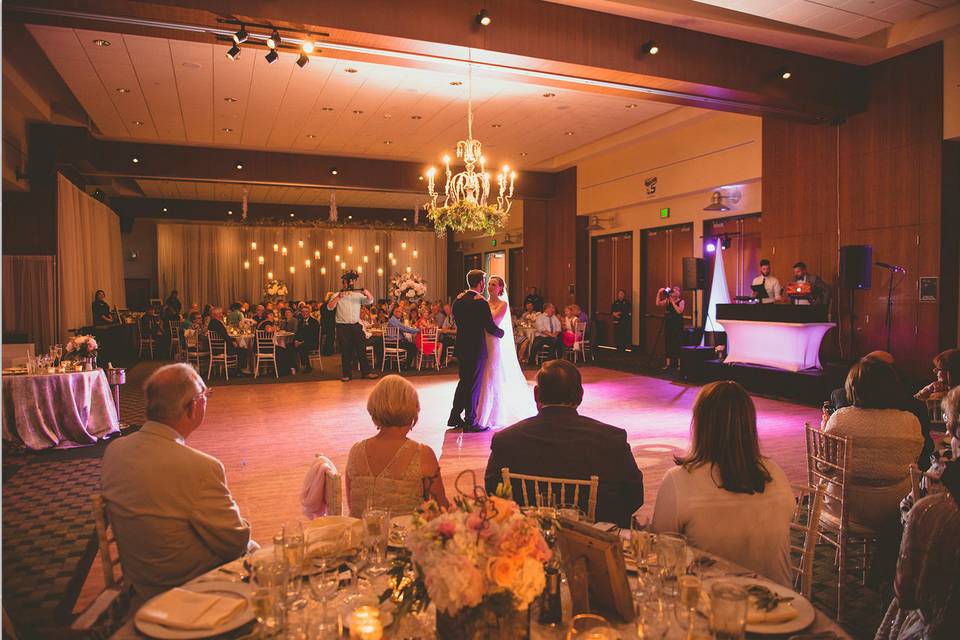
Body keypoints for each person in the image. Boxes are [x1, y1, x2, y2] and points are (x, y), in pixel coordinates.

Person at [101, 364, 254, 601]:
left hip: (140, 585)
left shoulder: (114, 451)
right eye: (205, 395)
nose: (206, 400)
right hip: (191, 592)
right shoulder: (200, 467)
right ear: (192, 407)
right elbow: (235, 543)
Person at [652, 381, 795, 586]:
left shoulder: (678, 480)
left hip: (711, 605)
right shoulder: (776, 474)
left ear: (700, 425)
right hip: (781, 603)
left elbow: (662, 555)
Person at [484, 360, 643, 526]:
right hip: (593, 542)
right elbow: (634, 496)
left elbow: (493, 492)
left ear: (536, 394)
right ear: (581, 394)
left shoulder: (506, 440)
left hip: (527, 539)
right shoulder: (612, 439)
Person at [822, 359, 923, 529]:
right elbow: (914, 462)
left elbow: (826, 467)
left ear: (853, 388)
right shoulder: (910, 421)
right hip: (896, 507)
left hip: (846, 505)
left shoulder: (840, 418)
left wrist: (825, 428)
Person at [874, 459, 960, 640]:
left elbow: (907, 595)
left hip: (937, 626)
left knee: (889, 533)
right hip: (894, 491)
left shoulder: (933, 515)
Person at [345, 375, 448, 517]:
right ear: (414, 410)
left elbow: (354, 508)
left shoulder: (356, 451)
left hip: (362, 535)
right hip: (406, 537)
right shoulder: (423, 454)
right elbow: (440, 508)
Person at [829, 351, 935, 470]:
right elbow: (922, 454)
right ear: (890, 376)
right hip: (900, 486)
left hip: (847, 486)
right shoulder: (912, 416)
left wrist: (826, 429)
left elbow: (826, 465)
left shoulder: (840, 414)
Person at [475, 276, 537, 430]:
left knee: (491, 376)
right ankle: (478, 411)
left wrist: (480, 309)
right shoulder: (483, 302)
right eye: (489, 284)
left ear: (500, 288)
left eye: (494, 284)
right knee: (481, 376)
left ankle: (490, 415)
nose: (490, 286)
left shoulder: (502, 305)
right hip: (482, 341)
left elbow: (493, 322)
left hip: (493, 342)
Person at [448, 269, 506, 433]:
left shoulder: (458, 301)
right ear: (480, 283)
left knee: (463, 382)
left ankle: (454, 416)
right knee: (473, 385)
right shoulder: (480, 302)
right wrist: (502, 334)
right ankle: (471, 421)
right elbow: (489, 326)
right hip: (476, 348)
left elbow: (457, 321)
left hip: (462, 347)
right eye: (484, 282)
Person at [328, 272, 378, 382]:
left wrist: (366, 292)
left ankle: (366, 372)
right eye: (347, 282)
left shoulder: (358, 295)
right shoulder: (336, 294)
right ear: (343, 283)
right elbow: (329, 307)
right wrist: (338, 297)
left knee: (361, 348)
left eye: (351, 282)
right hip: (342, 326)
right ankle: (347, 375)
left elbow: (370, 300)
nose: (350, 284)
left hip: (356, 325)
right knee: (345, 350)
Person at [656, 285, 684, 370]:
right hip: (669, 323)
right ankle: (668, 364)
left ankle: (679, 364)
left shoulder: (681, 301)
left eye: (676, 291)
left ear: (679, 293)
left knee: (678, 343)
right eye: (673, 290)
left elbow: (679, 311)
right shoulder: (667, 300)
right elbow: (658, 304)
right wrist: (659, 292)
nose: (674, 292)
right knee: (668, 342)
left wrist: (672, 302)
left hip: (677, 324)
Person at [387, 304, 419, 369]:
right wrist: (417, 330)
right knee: (413, 347)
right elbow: (405, 329)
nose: (400, 313)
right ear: (394, 312)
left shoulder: (394, 320)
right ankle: (406, 366)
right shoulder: (393, 320)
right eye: (398, 311)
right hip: (394, 342)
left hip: (395, 341)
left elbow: (403, 329)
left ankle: (404, 364)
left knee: (410, 344)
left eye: (400, 312)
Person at [293, 306, 321, 373]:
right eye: (303, 312)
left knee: (303, 346)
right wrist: (296, 340)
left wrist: (302, 342)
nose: (304, 313)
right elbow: (298, 333)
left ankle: (307, 366)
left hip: (312, 342)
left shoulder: (314, 322)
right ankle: (293, 366)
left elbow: (313, 336)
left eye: (306, 311)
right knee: (290, 345)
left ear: (309, 312)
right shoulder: (300, 322)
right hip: (302, 342)